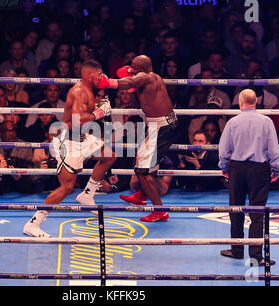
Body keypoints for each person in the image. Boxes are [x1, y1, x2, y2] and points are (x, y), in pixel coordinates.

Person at [23, 60, 116, 237]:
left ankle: (87, 195)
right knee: (66, 187)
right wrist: (100, 112)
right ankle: (33, 223)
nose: (102, 78)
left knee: (109, 156)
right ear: (90, 75)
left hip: (82, 139)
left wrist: (97, 108)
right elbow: (78, 120)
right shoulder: (80, 92)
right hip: (69, 142)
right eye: (99, 75)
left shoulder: (88, 90)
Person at [98, 55, 178, 222]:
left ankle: (159, 211)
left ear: (141, 69)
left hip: (161, 127)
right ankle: (142, 195)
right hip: (159, 125)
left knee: (142, 170)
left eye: (133, 67)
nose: (131, 70)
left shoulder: (146, 77)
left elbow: (131, 82)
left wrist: (108, 82)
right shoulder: (149, 77)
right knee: (144, 164)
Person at [218, 89, 279, 266]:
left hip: (237, 168)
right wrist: (275, 169)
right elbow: (273, 149)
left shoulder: (233, 122)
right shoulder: (266, 122)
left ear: (240, 103)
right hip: (259, 169)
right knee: (257, 213)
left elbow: (224, 149)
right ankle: (255, 256)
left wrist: (224, 166)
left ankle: (237, 250)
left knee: (236, 210)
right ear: (256, 102)